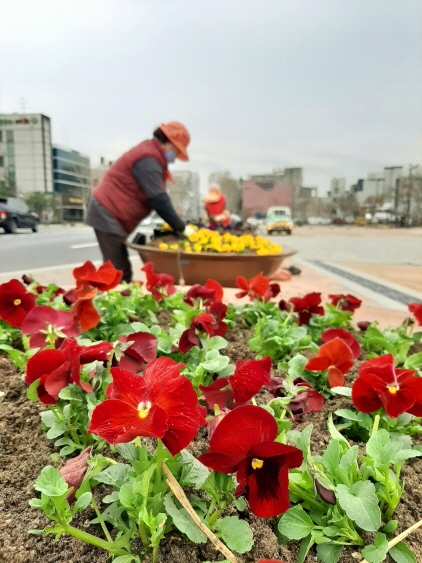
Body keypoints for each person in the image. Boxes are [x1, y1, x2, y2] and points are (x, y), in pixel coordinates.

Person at [86, 122, 195, 283]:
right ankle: (108, 303)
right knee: (118, 273)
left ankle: (111, 299)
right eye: (177, 152)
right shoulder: (148, 160)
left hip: (110, 212)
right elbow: (159, 199)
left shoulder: (150, 154)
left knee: (117, 270)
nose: (175, 158)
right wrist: (181, 227)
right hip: (107, 211)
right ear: (170, 144)